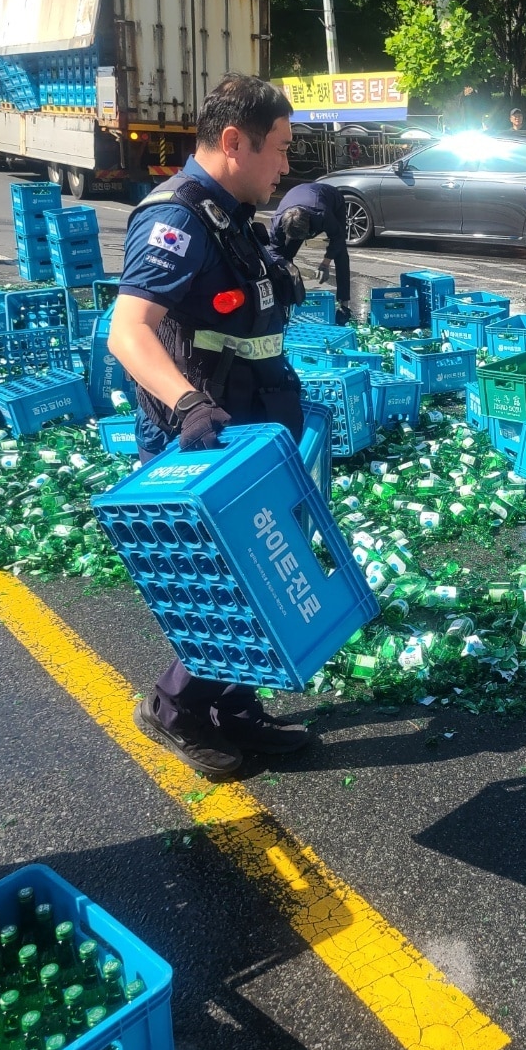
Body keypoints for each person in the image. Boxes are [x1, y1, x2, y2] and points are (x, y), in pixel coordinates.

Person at [108, 73, 312, 779]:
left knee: (251, 577)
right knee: (223, 583)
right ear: (234, 142)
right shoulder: (175, 219)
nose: (286, 167)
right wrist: (187, 403)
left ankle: (235, 708)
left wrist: (282, 252)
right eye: (280, 151)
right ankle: (172, 708)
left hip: (246, 430)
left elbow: (239, 306)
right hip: (202, 435)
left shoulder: (227, 213)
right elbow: (128, 332)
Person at [270, 179, 353, 325]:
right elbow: (273, 251)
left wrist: (325, 263)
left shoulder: (322, 214)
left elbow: (338, 238)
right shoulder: (278, 222)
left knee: (340, 253)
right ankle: (285, 301)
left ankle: (344, 305)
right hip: (297, 200)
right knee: (285, 256)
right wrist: (287, 265)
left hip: (331, 199)